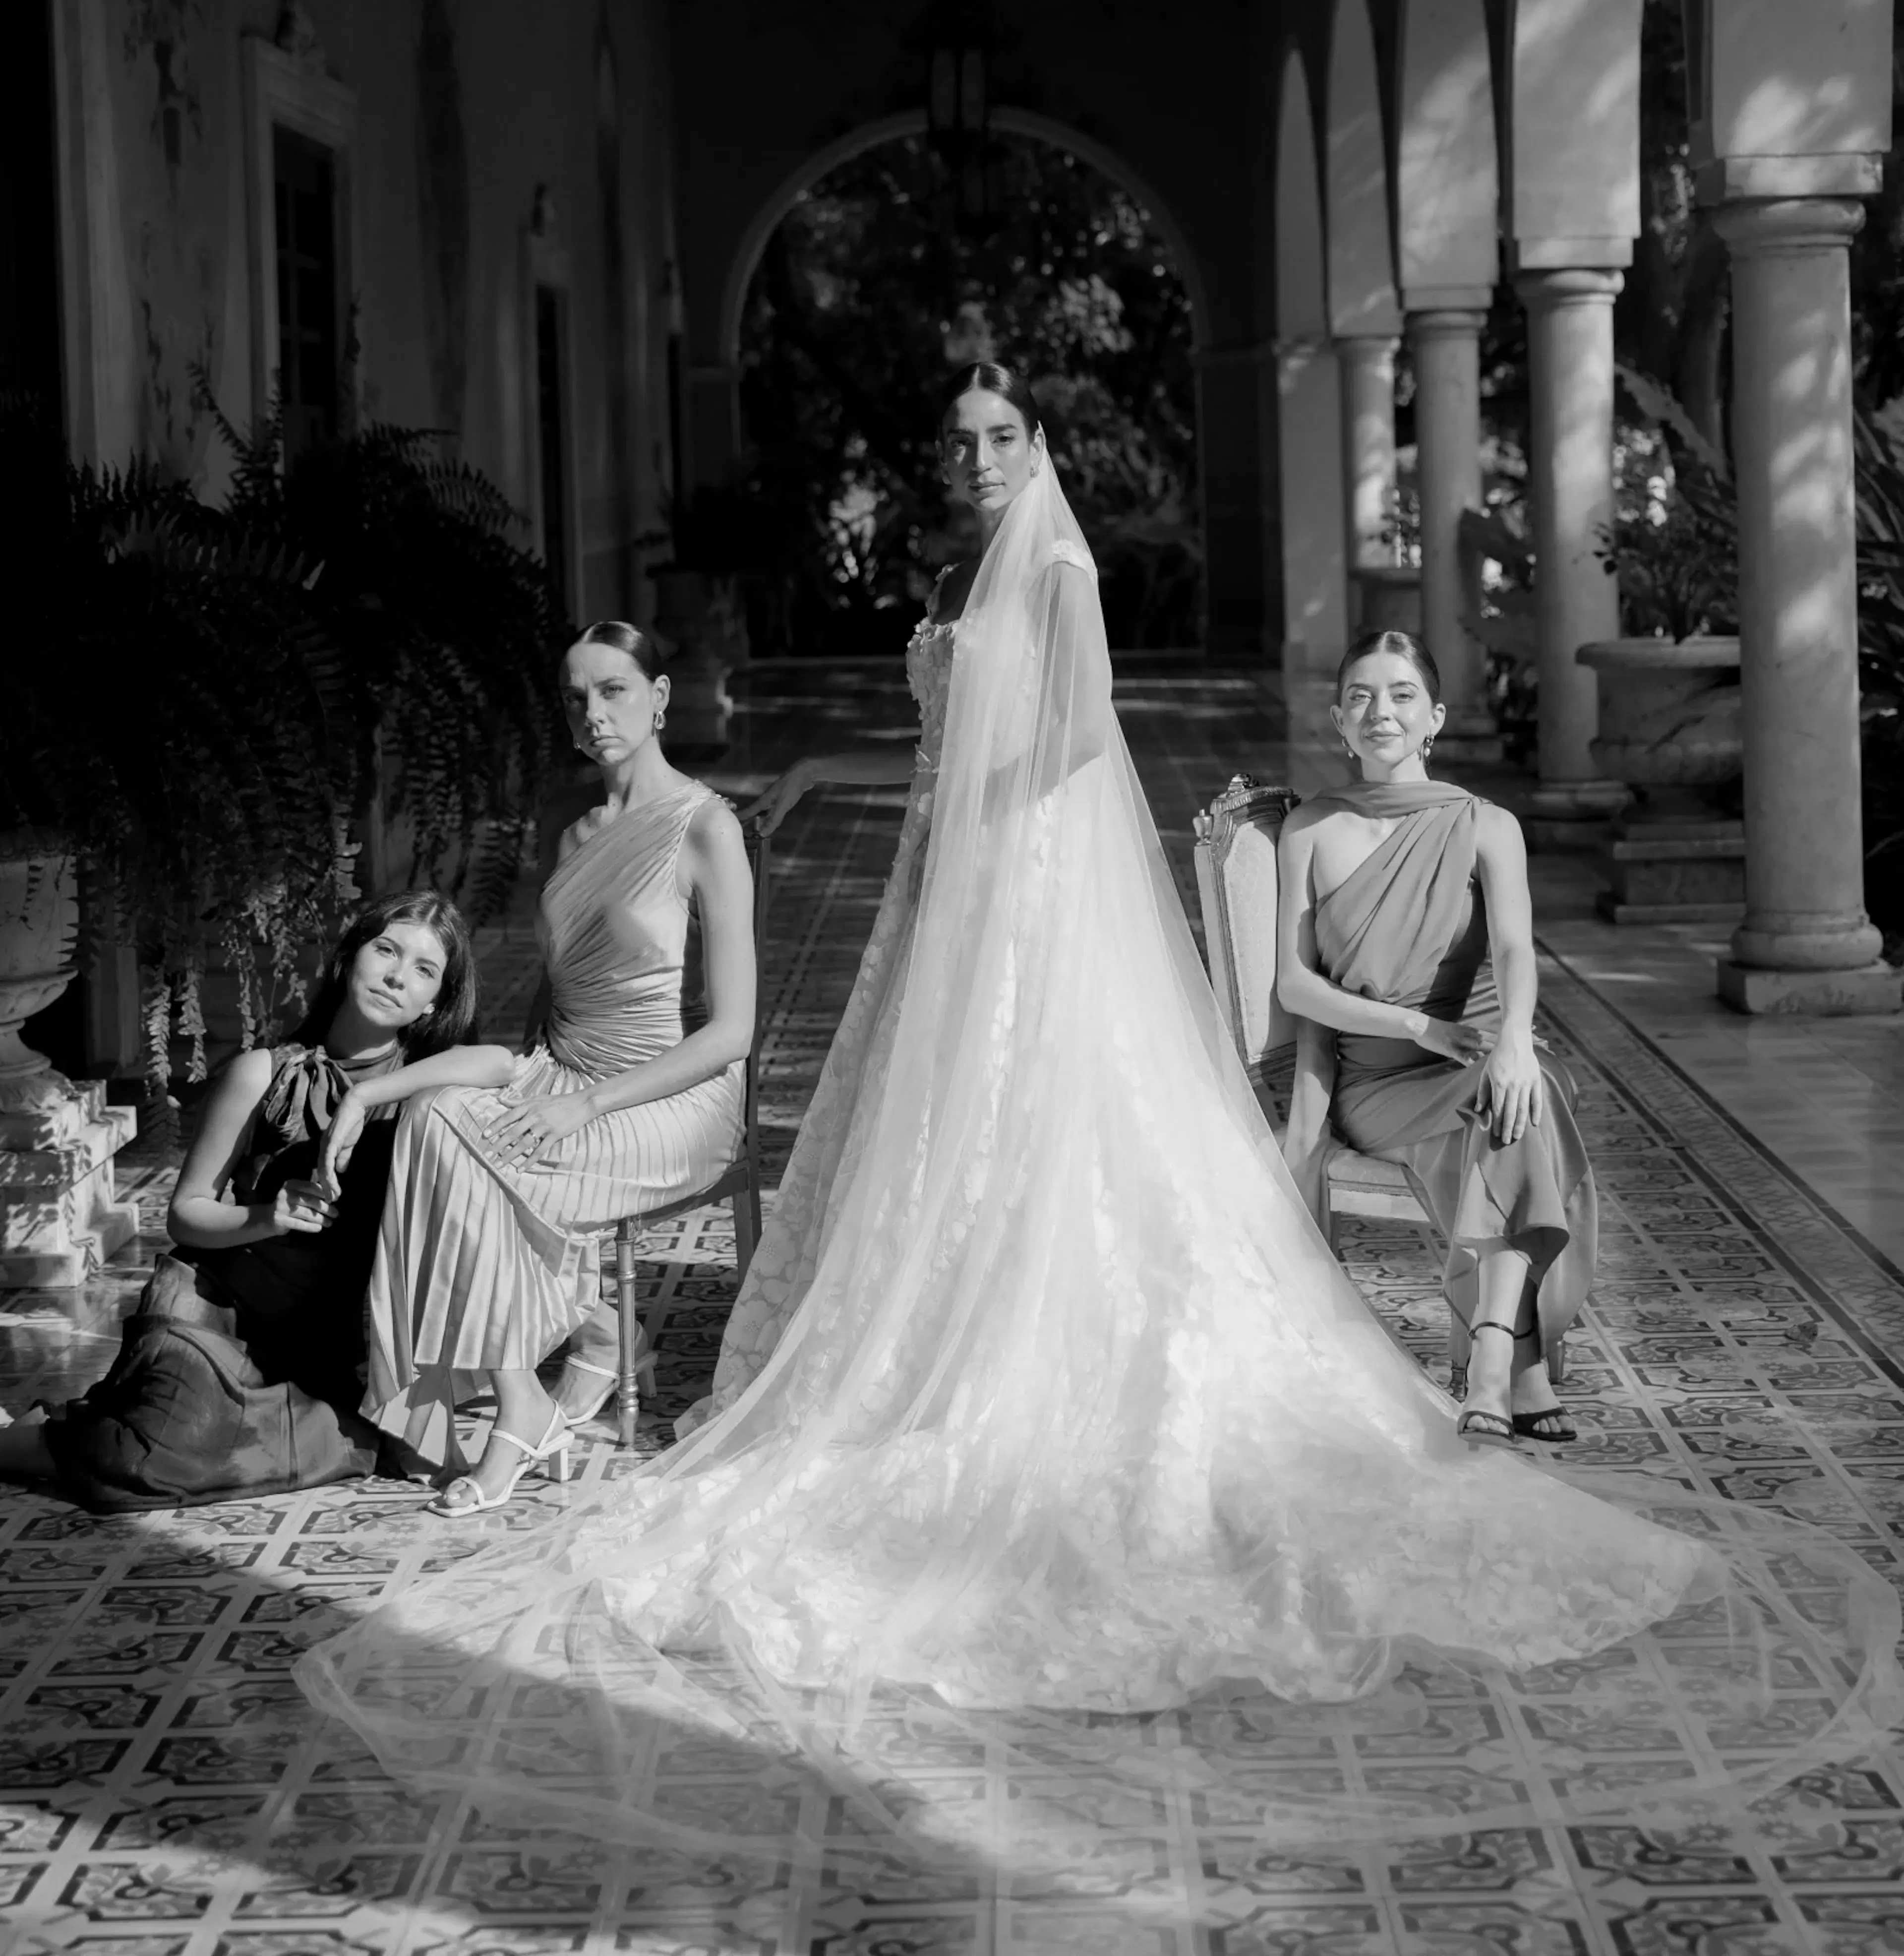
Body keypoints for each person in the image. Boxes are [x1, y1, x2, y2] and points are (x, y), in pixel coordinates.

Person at [300, 365, 1899, 1869]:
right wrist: (934, 835)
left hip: (1036, 873)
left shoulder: (1054, 577)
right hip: (955, 866)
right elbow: (948, 739)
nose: (977, 460)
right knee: (937, 1135)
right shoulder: (944, 586)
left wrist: (977, 834)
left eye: (1000, 438)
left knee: (1051, 1120)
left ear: (1038, 450)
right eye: (960, 441)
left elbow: (1068, 741)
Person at [324, 620, 756, 1512]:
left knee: (469, 1146)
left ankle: (541, 1389)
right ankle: (563, 1365)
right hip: (562, 1072)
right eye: (575, 696)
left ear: (660, 699)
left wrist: (586, 1105)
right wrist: (374, 1088)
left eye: (614, 691)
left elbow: (733, 1034)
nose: (593, 712)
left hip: (671, 1094)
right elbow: (544, 1017)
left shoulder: (707, 826)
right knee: (435, 1116)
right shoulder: (566, 821)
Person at [0, 892, 484, 1511]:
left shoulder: (435, 1085)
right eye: (385, 950)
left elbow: (506, 1065)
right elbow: (186, 1213)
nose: (396, 976)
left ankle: (114, 1420)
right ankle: (26, 1443)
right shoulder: (263, 1072)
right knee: (145, 1459)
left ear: (435, 1002)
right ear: (349, 958)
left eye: (424, 969)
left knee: (351, 1446)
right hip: (213, 1315)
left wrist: (366, 1098)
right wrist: (267, 1216)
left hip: (318, 1347)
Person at [1276, 630, 1594, 1444]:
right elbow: (1295, 984)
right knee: (1522, 1094)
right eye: (1360, 697)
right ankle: (1513, 1366)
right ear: (1340, 724)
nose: (1380, 711)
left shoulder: (1489, 825)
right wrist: (1417, 1024)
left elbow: (1518, 947)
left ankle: (1493, 1364)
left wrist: (1516, 1037)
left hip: (1479, 1057)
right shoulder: (1309, 830)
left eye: (1401, 695)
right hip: (1378, 1082)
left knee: (1525, 1083)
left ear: (1435, 718)